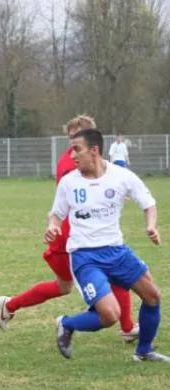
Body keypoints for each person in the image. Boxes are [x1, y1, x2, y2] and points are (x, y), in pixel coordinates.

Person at [0, 115, 138, 342]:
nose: (74, 141)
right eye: (71, 136)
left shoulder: (94, 161)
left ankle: (10, 304)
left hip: (80, 238)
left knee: (63, 286)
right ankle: (127, 327)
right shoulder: (69, 163)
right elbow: (75, 193)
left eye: (79, 135)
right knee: (112, 279)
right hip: (71, 240)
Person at [45, 128, 168, 362]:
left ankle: (144, 351)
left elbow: (149, 203)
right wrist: (52, 226)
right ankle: (66, 323)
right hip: (84, 256)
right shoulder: (69, 183)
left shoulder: (121, 176)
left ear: (94, 151)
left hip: (117, 251)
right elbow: (56, 214)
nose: (72, 156)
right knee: (110, 315)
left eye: (77, 149)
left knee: (152, 296)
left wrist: (151, 226)